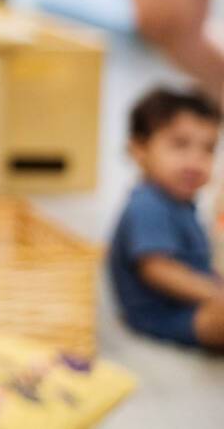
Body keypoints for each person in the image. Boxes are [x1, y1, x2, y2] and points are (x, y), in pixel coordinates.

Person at [108, 87, 224, 349]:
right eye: (180, 145)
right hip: (165, 315)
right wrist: (216, 293)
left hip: (190, 302)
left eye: (209, 149)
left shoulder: (180, 203)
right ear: (139, 150)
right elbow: (158, 270)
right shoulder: (148, 205)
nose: (196, 160)